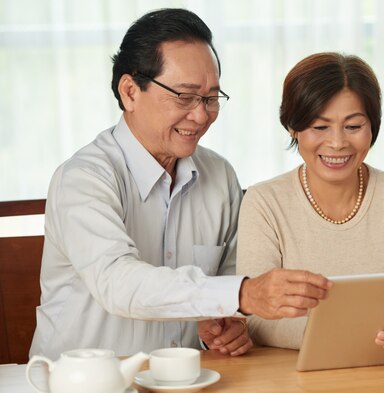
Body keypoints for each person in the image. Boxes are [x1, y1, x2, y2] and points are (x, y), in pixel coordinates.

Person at [29, 9, 331, 360]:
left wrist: (223, 326)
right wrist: (242, 296)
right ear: (129, 92)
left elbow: (227, 285)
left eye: (210, 98)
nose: (201, 115)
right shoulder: (83, 179)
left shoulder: (219, 176)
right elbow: (119, 283)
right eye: (184, 97)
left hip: (187, 387)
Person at [227, 52, 384, 368]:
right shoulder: (264, 201)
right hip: (289, 379)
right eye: (320, 126)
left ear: (373, 127)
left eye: (354, 125)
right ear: (292, 127)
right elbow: (259, 318)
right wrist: (364, 336)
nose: (337, 143)